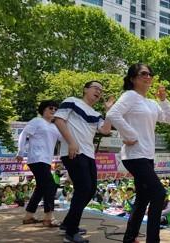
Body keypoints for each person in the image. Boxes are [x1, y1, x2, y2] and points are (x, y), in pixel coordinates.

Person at [106, 63, 170, 243]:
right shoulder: (130, 96)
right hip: (134, 155)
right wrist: (129, 135)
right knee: (159, 194)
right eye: (143, 73)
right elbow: (113, 114)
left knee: (143, 198)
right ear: (133, 78)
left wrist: (163, 100)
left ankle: (129, 237)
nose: (148, 77)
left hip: (147, 155)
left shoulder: (151, 103)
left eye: (150, 74)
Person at [54, 80, 113, 243]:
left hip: (89, 154)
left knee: (90, 189)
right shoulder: (71, 101)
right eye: (96, 88)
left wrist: (109, 111)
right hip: (73, 151)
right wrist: (71, 142)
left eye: (101, 90)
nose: (99, 91)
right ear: (85, 89)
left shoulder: (96, 114)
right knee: (84, 188)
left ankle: (67, 224)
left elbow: (106, 130)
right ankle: (71, 233)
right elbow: (59, 120)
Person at [16, 100, 62, 227]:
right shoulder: (37, 121)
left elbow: (64, 138)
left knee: (41, 188)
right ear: (43, 109)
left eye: (55, 109)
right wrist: (20, 152)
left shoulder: (55, 127)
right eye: (50, 108)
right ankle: (49, 217)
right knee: (51, 186)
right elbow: (24, 134)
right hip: (36, 158)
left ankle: (28, 216)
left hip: (46, 160)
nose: (53, 110)